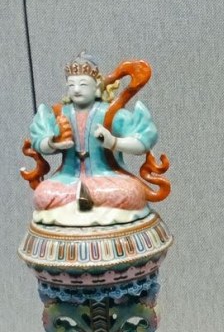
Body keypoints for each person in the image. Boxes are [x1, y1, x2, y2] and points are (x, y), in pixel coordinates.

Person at [29, 56, 157, 226]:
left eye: (83, 84)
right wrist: (53, 142)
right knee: (43, 194)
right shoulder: (61, 113)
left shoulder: (109, 113)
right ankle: (82, 208)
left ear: (96, 86)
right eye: (71, 85)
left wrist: (113, 142)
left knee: (131, 192)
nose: (76, 90)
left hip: (106, 178)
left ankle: (82, 209)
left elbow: (142, 141)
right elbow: (39, 140)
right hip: (68, 179)